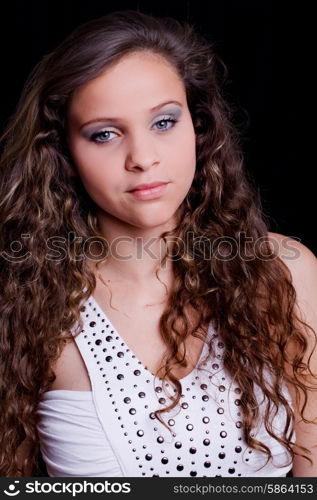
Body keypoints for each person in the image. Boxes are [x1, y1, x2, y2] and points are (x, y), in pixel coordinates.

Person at [0, 10, 316, 479]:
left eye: (164, 122)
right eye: (104, 134)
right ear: (63, 153)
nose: (143, 158)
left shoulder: (284, 272)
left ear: (199, 128)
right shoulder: (24, 298)